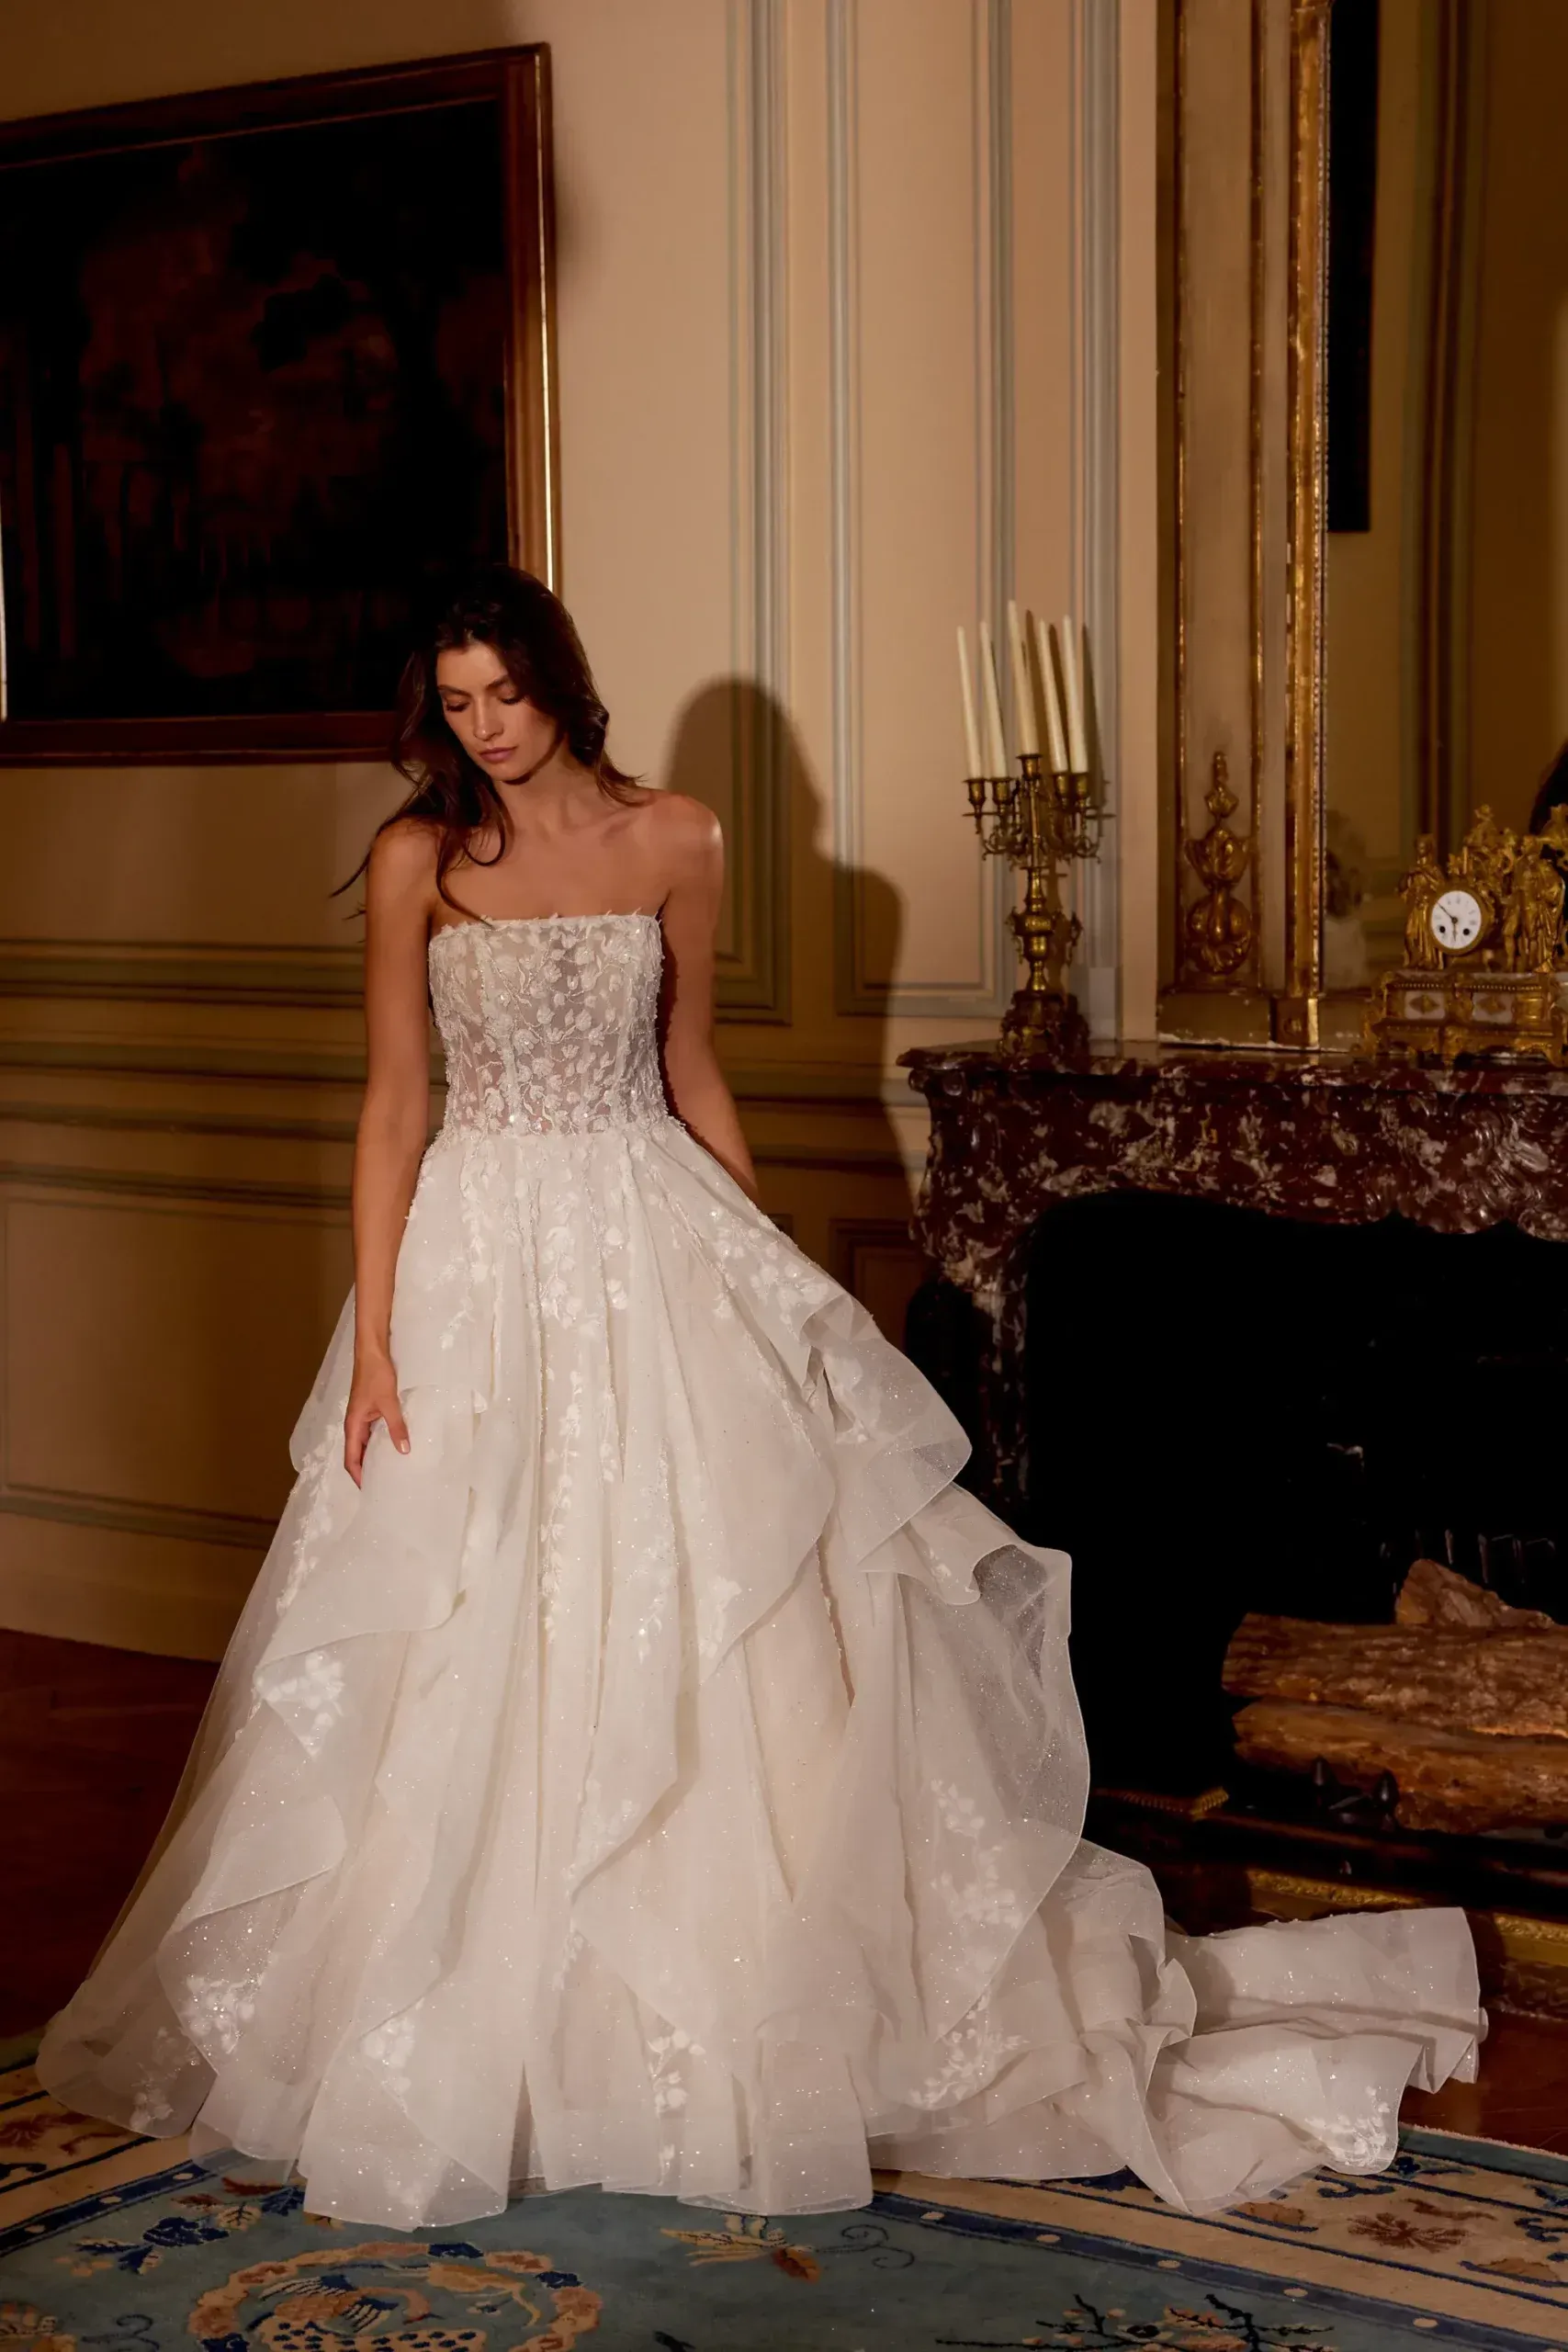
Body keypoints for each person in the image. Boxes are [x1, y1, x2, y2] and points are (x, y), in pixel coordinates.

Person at [38, 568, 1482, 2231]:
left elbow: (692, 1065)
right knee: (466, 1610)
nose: (484, 730)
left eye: (503, 693)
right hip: (475, 1265)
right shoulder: (417, 864)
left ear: (559, 683)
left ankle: (740, 2001)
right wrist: (372, 1339)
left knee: (726, 1613)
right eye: (454, 703)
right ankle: (468, 2019)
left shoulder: (679, 839)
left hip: (652, 1235)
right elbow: (389, 1109)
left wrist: (775, 1285)